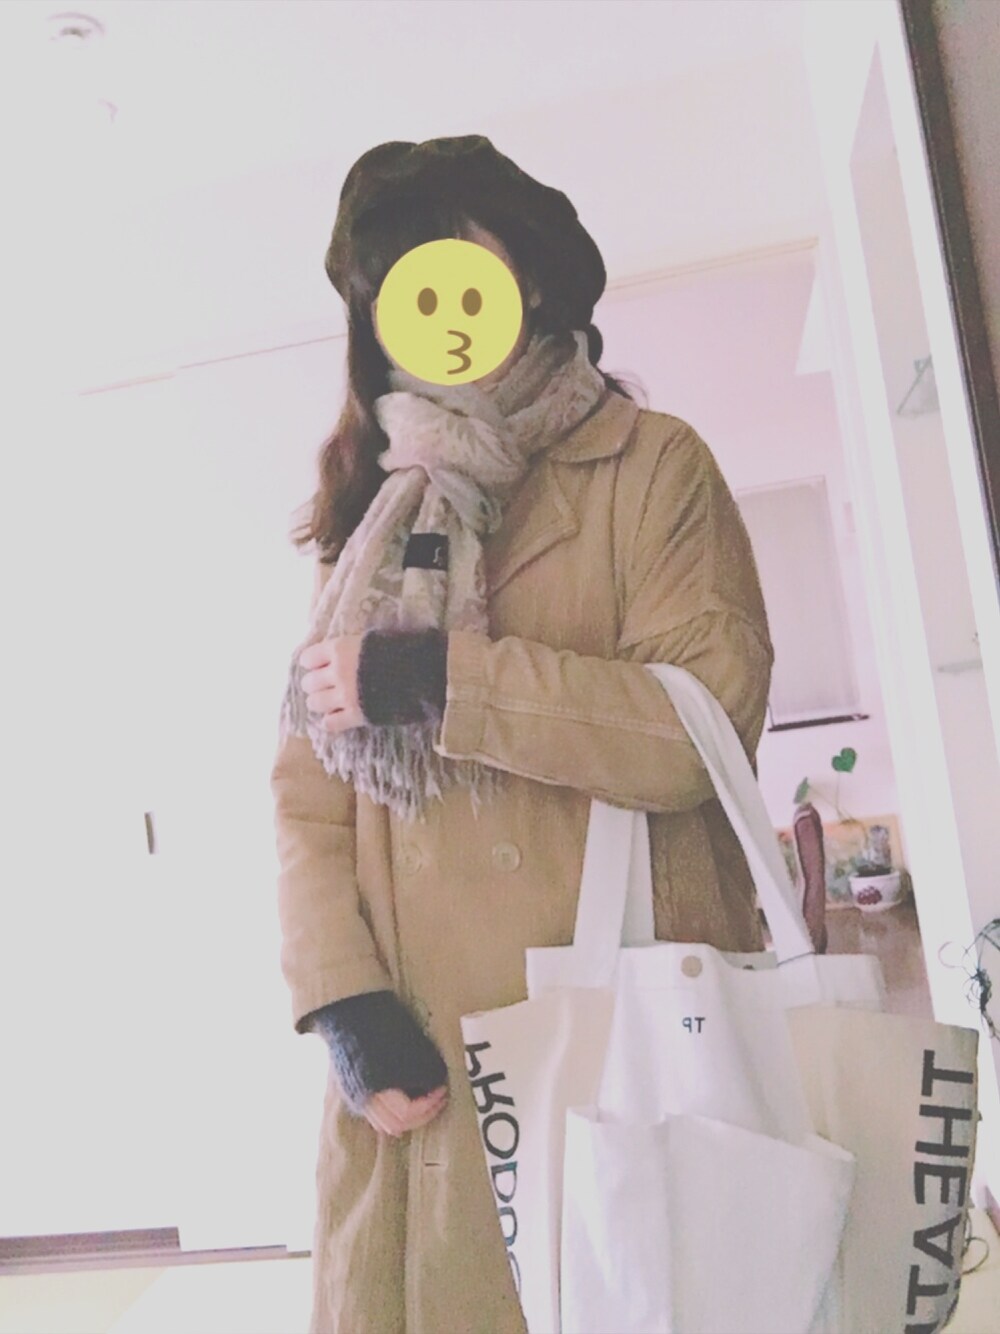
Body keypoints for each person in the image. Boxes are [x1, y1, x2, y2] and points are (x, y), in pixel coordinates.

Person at [270, 134, 774, 1334]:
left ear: (531, 279)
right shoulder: (369, 518)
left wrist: (445, 681)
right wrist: (342, 1000)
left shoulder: (652, 467)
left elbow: (696, 729)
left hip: (627, 1049)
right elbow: (306, 794)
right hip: (426, 1073)